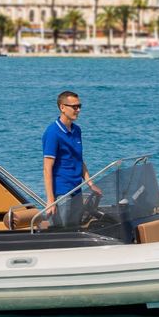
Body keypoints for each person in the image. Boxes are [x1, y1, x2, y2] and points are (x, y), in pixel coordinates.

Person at [42, 91, 101, 227]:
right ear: (62, 107)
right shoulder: (52, 133)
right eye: (74, 107)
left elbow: (78, 159)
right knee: (61, 231)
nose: (78, 110)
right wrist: (51, 200)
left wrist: (90, 184)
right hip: (62, 193)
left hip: (77, 189)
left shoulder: (77, 130)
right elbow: (47, 168)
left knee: (75, 228)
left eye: (79, 106)